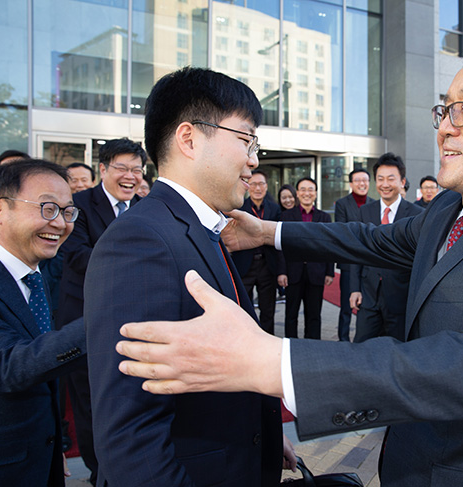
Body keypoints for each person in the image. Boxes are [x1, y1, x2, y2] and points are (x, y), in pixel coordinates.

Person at [116, 39, 463, 487]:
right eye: (444, 109)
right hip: (410, 463)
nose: (445, 126)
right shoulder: (448, 211)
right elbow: (370, 239)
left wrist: (273, 361)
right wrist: (269, 231)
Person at [85, 67, 290, 486]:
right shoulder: (141, 239)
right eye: (246, 139)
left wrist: (263, 437)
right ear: (189, 138)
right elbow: (130, 434)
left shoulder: (202, 228)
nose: (254, 159)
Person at [0, 159, 86, 486]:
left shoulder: (40, 276)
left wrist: (53, 443)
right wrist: (102, 322)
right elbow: (6, 365)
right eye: (48, 208)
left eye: (68, 212)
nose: (61, 223)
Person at [57, 137, 146, 484]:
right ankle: (100, 475)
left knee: (128, 400)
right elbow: (77, 256)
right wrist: (136, 260)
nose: (131, 177)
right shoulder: (77, 204)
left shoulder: (142, 207)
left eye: (137, 170)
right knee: (90, 404)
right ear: (103, 169)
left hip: (132, 323)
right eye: (122, 168)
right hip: (86, 320)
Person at [350, 154, 422, 342]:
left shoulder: (416, 215)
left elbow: (420, 258)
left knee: (397, 350)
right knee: (361, 347)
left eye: (391, 179)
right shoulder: (365, 211)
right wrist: (354, 288)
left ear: (402, 182)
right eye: (380, 179)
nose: (385, 184)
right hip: (369, 295)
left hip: (400, 298)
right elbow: (357, 252)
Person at [278, 177, 334, 339]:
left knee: (314, 315)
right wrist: (281, 272)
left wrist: (329, 272)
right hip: (293, 272)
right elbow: (281, 246)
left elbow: (329, 247)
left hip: (316, 272)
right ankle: (291, 346)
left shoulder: (324, 218)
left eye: (310, 189)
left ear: (316, 193)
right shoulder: (287, 216)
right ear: (297, 193)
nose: (307, 193)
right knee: (291, 314)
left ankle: (313, 347)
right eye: (303, 189)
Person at [232, 170, 282, 334]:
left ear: (266, 187)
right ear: (248, 186)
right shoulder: (238, 208)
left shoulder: (274, 209)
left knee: (268, 309)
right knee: (244, 308)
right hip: (245, 264)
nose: (257, 188)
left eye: (261, 184)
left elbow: (279, 242)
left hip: (267, 265)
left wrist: (281, 271)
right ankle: (247, 338)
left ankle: (268, 340)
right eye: (253, 184)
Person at [333, 168, 374, 341]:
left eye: (364, 180)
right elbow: (343, 233)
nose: (361, 184)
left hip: (370, 264)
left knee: (367, 305)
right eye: (357, 180)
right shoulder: (342, 204)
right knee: (346, 305)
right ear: (351, 184)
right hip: (349, 262)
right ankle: (343, 339)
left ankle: (364, 338)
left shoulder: (374, 203)